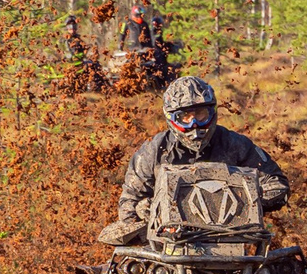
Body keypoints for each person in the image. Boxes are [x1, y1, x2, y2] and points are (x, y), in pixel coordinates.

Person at [98, 75, 288, 245]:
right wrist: (147, 209)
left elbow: (277, 184)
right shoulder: (153, 151)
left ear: (212, 113)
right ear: (171, 118)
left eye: (200, 114)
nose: (194, 124)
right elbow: (129, 205)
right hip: (169, 243)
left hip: (232, 238)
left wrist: (249, 196)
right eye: (185, 117)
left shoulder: (236, 144)